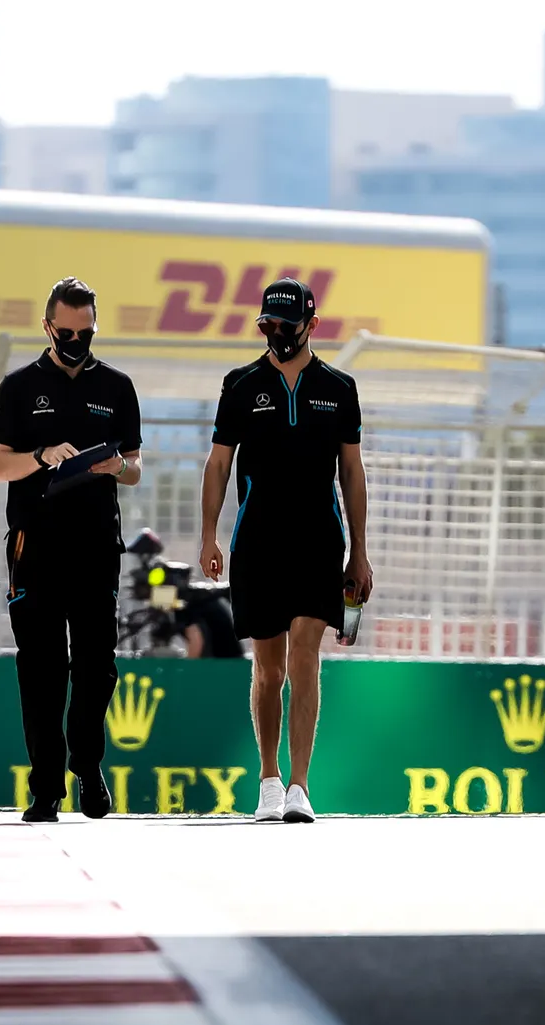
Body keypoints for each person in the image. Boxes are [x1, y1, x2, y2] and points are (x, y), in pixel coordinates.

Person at [199, 275, 373, 824]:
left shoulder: (339, 387)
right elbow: (219, 463)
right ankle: (269, 780)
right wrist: (207, 535)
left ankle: (300, 785)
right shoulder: (241, 384)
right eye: (266, 325)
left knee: (305, 652)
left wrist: (360, 552)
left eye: (286, 325)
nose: (276, 333)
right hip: (257, 541)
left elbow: (352, 469)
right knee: (268, 669)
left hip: (320, 539)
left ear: (311, 325)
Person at [0, 279, 144, 821]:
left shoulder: (118, 387)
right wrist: (43, 454)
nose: (76, 339)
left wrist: (115, 466)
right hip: (35, 545)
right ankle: (47, 787)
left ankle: (88, 763)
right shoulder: (18, 386)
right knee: (41, 669)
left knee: (98, 666)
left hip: (97, 543)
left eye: (86, 331)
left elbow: (136, 468)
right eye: (67, 331)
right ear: (48, 326)